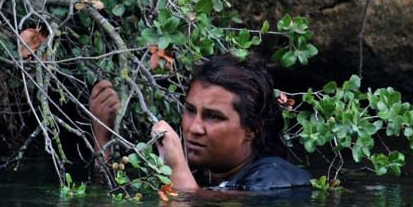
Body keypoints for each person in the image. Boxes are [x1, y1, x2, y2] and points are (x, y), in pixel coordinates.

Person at [88, 54, 312, 191]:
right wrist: (103, 136)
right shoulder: (200, 173)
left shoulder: (276, 177)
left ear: (252, 129)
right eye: (190, 110)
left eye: (213, 116)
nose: (193, 128)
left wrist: (176, 168)